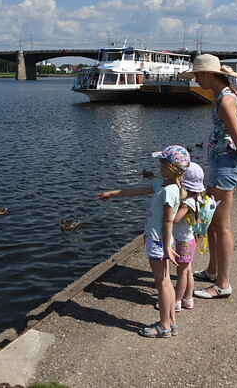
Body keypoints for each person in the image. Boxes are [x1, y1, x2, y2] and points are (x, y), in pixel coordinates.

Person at [95, 145, 190, 338]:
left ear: (170, 167)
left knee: (162, 283)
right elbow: (137, 191)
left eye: (162, 161)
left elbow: (168, 220)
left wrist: (166, 247)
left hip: (158, 242)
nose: (159, 164)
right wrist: (112, 193)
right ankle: (171, 322)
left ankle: (163, 325)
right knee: (166, 283)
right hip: (160, 241)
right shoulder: (168, 186)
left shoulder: (168, 191)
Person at [179, 54, 237, 299]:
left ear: (209, 74)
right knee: (210, 220)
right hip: (221, 164)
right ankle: (212, 270)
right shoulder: (222, 97)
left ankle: (223, 283)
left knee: (222, 226)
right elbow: (231, 139)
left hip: (224, 166)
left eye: (198, 75)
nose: (196, 79)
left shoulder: (225, 102)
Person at [167, 163, 207, 313]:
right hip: (189, 239)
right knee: (188, 271)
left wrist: (168, 212)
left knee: (181, 273)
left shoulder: (188, 202)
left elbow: (176, 219)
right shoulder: (197, 198)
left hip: (184, 241)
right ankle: (188, 299)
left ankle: (176, 301)